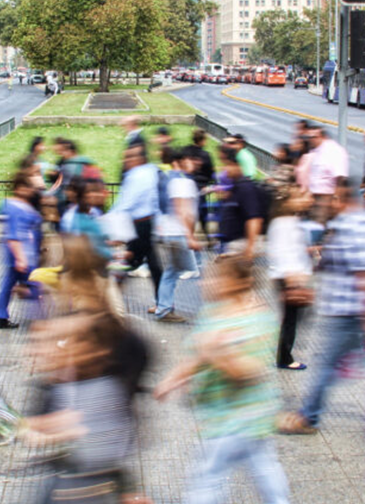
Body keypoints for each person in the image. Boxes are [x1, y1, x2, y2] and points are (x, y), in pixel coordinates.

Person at [155, 254, 291, 504]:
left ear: (236, 283)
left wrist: (218, 353)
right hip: (229, 414)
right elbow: (197, 355)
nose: (202, 284)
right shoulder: (212, 312)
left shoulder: (256, 319)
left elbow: (250, 371)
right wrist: (173, 379)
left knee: (208, 476)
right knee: (263, 466)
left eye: (212, 279)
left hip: (237, 416)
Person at [280, 177, 365, 435]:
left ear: (341, 199)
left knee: (328, 364)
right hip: (351, 310)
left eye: (332, 197)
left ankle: (309, 417)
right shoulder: (355, 222)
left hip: (353, 312)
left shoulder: (355, 226)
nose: (327, 202)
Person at [267, 187, 314, 370]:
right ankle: (284, 358)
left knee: (292, 318)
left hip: (292, 276)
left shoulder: (289, 221)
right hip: (288, 278)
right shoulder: (284, 223)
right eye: (299, 196)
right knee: (290, 320)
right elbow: (282, 253)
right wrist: (292, 281)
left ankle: (284, 355)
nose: (304, 199)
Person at [153, 147, 201, 323]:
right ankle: (165, 309)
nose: (194, 163)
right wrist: (190, 236)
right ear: (178, 162)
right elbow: (183, 210)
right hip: (178, 233)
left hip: (170, 231)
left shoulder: (170, 179)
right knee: (188, 270)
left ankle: (163, 307)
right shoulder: (181, 181)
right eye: (189, 159)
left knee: (172, 271)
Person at [110, 144, 162, 301]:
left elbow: (126, 202)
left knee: (131, 260)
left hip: (139, 225)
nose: (126, 160)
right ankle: (163, 303)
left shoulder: (137, 175)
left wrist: (109, 221)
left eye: (130, 156)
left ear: (140, 158)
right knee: (151, 263)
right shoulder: (151, 171)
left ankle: (109, 295)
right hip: (145, 224)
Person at [0, 169, 42, 329]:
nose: (31, 190)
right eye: (28, 187)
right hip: (22, 254)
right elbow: (14, 234)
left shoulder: (15, 205)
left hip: (20, 253)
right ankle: (38, 318)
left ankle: (0, 316)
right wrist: (21, 257)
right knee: (34, 284)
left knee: (8, 284)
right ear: (19, 187)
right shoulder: (16, 207)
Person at [215, 144, 265, 260]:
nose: (224, 170)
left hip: (241, 245)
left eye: (227, 165)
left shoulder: (246, 188)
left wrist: (249, 248)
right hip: (234, 245)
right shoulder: (236, 187)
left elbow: (254, 219)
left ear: (237, 166)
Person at [297, 126, 349, 224]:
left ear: (322, 137)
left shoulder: (333, 150)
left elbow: (340, 177)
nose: (310, 140)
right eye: (309, 138)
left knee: (320, 224)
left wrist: (337, 198)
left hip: (327, 197)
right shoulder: (315, 150)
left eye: (313, 137)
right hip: (314, 195)